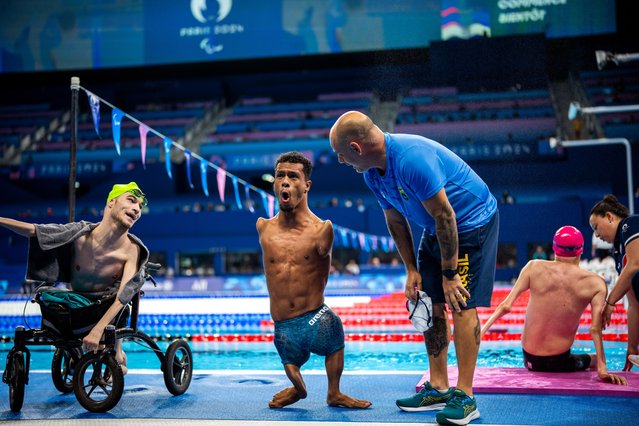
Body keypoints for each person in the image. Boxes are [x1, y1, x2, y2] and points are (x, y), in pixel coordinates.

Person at [329, 111, 498, 425]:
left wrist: (450, 275)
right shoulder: (372, 174)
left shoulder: (411, 159)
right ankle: (438, 386)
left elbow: (447, 216)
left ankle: (466, 396)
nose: (341, 161)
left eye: (341, 155)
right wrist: (411, 269)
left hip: (471, 223)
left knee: (460, 301)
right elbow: (395, 220)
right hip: (435, 230)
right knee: (430, 303)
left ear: (356, 147)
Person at [256, 151, 371, 410]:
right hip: (283, 326)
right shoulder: (263, 227)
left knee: (334, 326)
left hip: (315, 317)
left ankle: (334, 392)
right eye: (280, 176)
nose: (285, 181)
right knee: (292, 369)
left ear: (306, 185)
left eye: (293, 176)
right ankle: (297, 388)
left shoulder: (322, 230)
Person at [0, 182, 150, 374]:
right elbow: (35, 231)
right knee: (48, 296)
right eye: (131, 200)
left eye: (140, 206)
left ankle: (117, 353)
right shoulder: (79, 234)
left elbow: (123, 297)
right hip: (77, 306)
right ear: (111, 202)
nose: (137, 209)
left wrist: (98, 331)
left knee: (118, 364)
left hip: (106, 308)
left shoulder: (132, 250)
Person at [481, 226, 626, 384]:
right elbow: (595, 329)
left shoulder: (533, 267)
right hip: (559, 362)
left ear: (554, 248)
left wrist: (479, 335)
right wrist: (602, 369)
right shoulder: (596, 283)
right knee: (593, 359)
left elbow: (505, 306)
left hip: (528, 358)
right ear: (581, 250)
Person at [589, 194, 639, 371]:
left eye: (596, 227)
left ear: (609, 217)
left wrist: (610, 303)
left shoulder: (630, 224)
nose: (596, 234)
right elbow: (634, 304)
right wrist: (631, 349)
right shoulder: (618, 253)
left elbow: (635, 263)